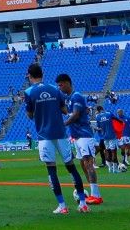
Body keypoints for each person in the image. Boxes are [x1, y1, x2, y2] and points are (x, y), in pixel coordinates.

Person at [23, 63, 87, 214]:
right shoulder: (55, 89)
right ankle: (83, 203)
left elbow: (30, 115)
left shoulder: (28, 92)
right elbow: (65, 110)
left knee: (51, 170)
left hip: (44, 136)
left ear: (29, 76)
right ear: (42, 74)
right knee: (71, 167)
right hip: (61, 133)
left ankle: (63, 206)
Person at [59, 75, 102, 204]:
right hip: (76, 136)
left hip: (84, 135)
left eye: (61, 85)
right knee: (83, 164)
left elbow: (76, 115)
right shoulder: (70, 98)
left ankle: (96, 195)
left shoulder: (76, 96)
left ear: (67, 83)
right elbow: (70, 112)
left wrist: (64, 124)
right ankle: (92, 192)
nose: (59, 87)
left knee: (88, 163)